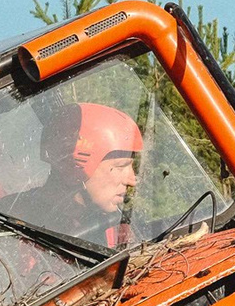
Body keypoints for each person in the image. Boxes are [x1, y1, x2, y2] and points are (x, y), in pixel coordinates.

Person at [14, 101, 142, 250]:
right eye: (120, 166)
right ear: (75, 167)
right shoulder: (10, 225)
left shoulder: (115, 227)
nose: (132, 180)